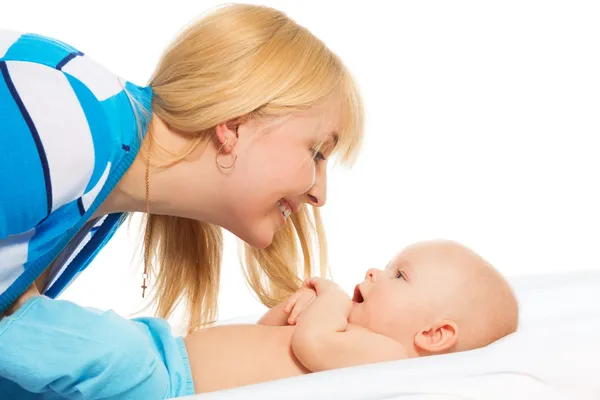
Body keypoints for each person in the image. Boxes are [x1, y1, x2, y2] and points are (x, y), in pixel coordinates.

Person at [0, 2, 363, 396]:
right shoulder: (65, 128)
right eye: (317, 152)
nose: (320, 195)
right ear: (235, 125)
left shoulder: (97, 173)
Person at [0, 240, 518, 397]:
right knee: (77, 358)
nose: (374, 271)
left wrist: (332, 297)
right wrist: (286, 315)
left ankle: (15, 318)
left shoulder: (392, 360)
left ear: (433, 335)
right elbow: (266, 342)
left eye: (399, 276)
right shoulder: (347, 337)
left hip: (163, 380)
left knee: (108, 349)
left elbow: (314, 346)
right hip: (165, 351)